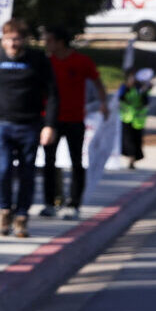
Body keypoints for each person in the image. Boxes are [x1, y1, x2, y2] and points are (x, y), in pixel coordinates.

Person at [0, 19, 55, 238]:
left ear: (24, 39)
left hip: (30, 125)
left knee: (27, 173)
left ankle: (22, 217)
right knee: (2, 170)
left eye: (16, 39)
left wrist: (49, 125)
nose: (12, 43)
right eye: (8, 39)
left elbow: (51, 95)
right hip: (1, 124)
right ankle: (4, 211)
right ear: (2, 40)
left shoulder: (38, 60)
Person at [42, 30, 100, 217]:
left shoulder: (81, 61)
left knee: (76, 162)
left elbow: (97, 81)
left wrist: (105, 102)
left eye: (50, 40)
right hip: (51, 121)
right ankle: (50, 202)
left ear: (60, 42)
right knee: (49, 162)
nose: (46, 43)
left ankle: (74, 204)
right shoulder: (46, 62)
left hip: (75, 119)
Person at [122, 69, 154, 166]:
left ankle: (134, 158)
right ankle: (131, 158)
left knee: (137, 140)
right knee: (128, 139)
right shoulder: (125, 88)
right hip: (126, 118)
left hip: (138, 120)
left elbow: (145, 101)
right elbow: (120, 99)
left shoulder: (141, 89)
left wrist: (145, 90)